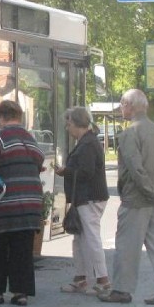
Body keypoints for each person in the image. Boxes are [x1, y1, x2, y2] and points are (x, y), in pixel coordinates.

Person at [98, 89, 154, 305]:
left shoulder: (129, 134)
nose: (121, 108)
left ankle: (122, 290)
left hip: (136, 201)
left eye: (123, 104)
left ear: (129, 106)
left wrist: (152, 193)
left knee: (127, 247)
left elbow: (135, 169)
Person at [0, 99, 45, 307]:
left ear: (1, 117)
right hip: (30, 206)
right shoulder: (30, 139)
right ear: (19, 117)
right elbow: (39, 161)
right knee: (22, 250)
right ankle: (20, 293)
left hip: (3, 206)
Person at [55, 107, 111, 296]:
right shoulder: (86, 141)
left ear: (78, 123)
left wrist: (65, 171)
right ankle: (81, 278)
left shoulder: (87, 144)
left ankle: (103, 280)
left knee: (91, 238)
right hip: (84, 198)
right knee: (79, 239)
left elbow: (86, 172)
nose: (67, 127)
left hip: (89, 198)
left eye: (69, 123)